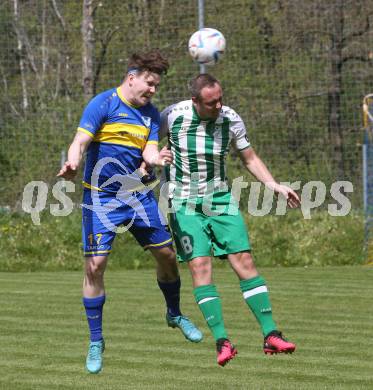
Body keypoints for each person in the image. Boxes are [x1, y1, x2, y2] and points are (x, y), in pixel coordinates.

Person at [57, 50, 202, 374]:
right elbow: (80, 141)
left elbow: (149, 149)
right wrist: (72, 162)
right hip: (101, 199)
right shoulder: (104, 104)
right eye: (149, 84)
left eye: (156, 86)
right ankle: (96, 341)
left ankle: (174, 313)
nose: (152, 90)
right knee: (95, 265)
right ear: (132, 77)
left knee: (166, 255)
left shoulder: (150, 115)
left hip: (137, 195)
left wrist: (155, 159)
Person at [160, 73, 301, 367]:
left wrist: (274, 186)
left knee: (245, 261)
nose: (219, 105)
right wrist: (152, 155)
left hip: (220, 199)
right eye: (212, 103)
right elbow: (145, 141)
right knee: (200, 265)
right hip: (183, 203)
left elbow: (249, 157)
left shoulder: (230, 118)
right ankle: (222, 341)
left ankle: (271, 334)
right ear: (195, 101)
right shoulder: (172, 115)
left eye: (221, 99)